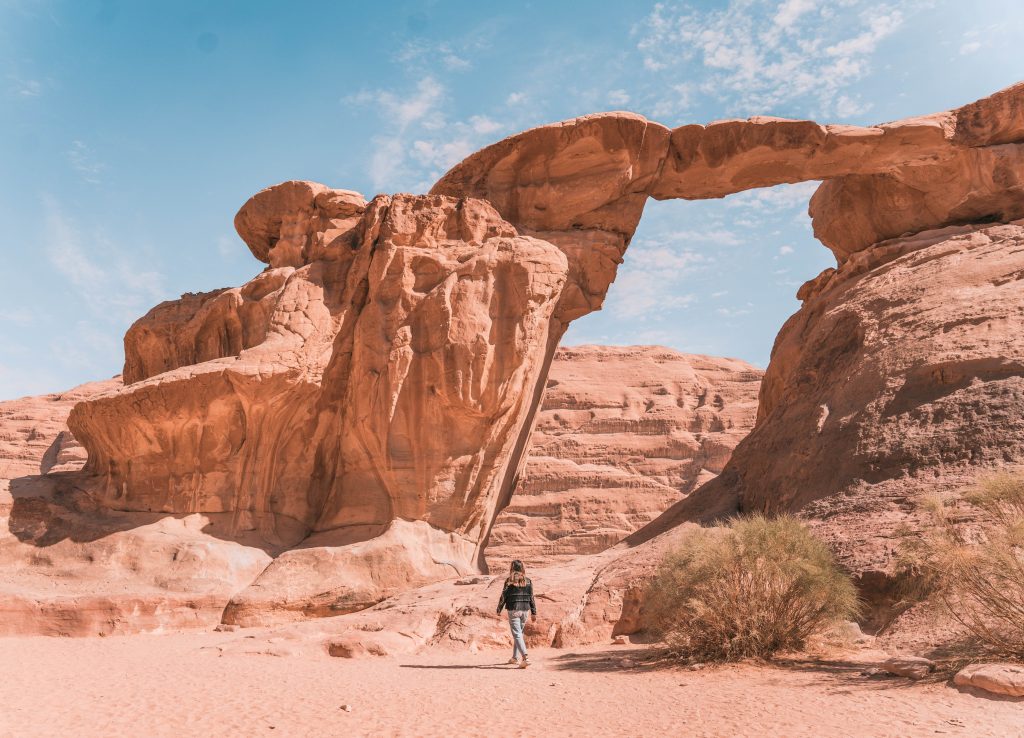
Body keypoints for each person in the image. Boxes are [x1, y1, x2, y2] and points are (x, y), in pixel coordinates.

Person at [496, 559, 537, 668]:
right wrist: (534, 612)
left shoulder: (509, 581)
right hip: (525, 610)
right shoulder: (528, 581)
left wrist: (499, 609)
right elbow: (531, 597)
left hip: (513, 609)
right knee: (518, 634)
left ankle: (525, 657)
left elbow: (503, 596)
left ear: (512, 568)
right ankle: (515, 657)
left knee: (517, 634)